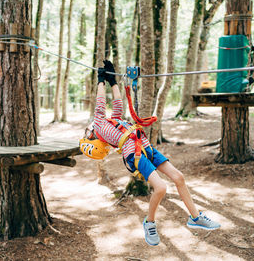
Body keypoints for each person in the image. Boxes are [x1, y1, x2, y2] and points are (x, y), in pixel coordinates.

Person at [79, 60, 221, 246]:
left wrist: (112, 80)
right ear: (92, 137)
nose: (86, 130)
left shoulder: (112, 121)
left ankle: (195, 218)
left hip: (145, 147)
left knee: (179, 177)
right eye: (86, 133)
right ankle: (150, 222)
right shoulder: (99, 125)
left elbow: (118, 105)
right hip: (134, 154)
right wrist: (100, 80)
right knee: (161, 188)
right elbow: (99, 103)